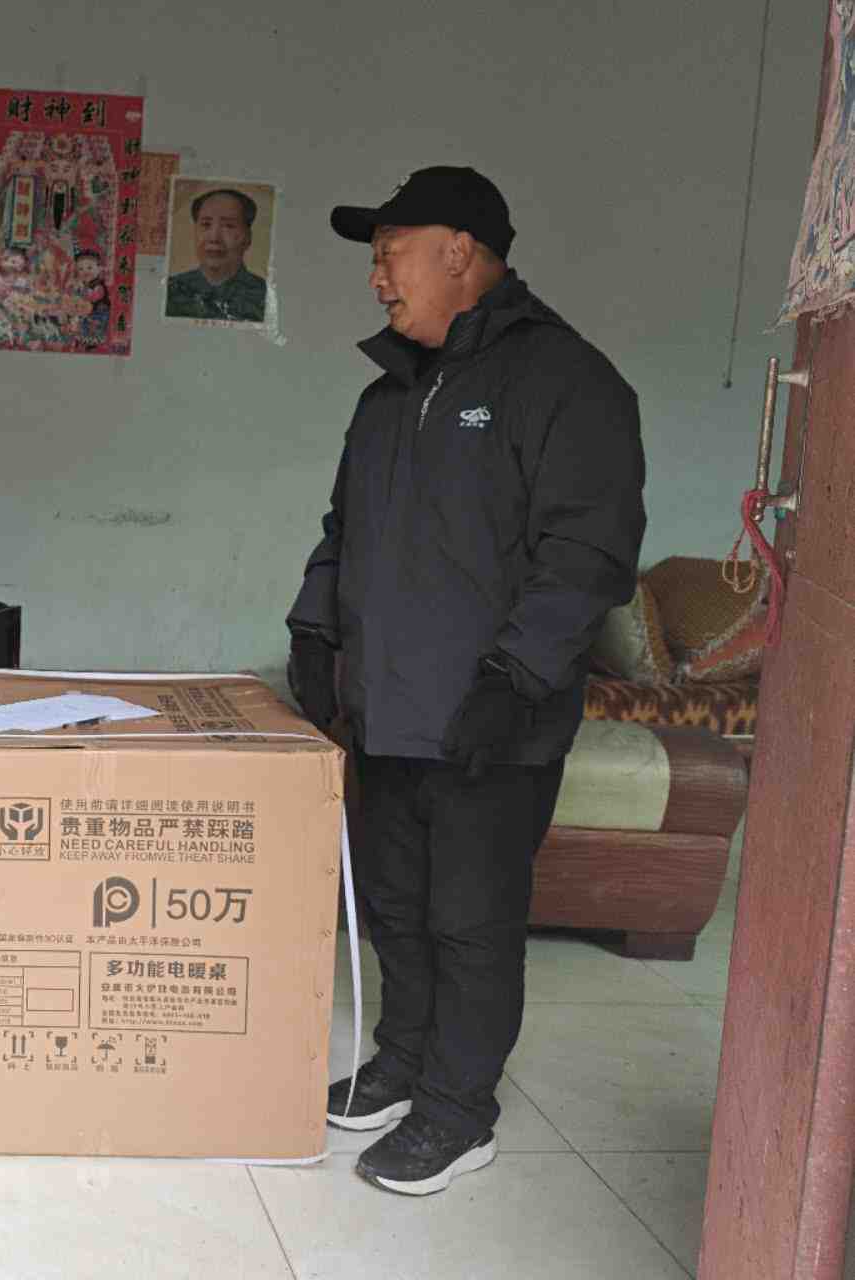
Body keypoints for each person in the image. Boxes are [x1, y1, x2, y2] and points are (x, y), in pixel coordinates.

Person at [286, 166, 645, 1195]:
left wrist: (515, 678)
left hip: (491, 719)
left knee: (470, 920)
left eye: (388, 253)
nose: (376, 279)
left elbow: (586, 554)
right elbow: (343, 532)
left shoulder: (566, 382)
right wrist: (314, 628)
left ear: (459, 251)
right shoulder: (387, 397)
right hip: (387, 707)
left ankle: (457, 1108)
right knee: (395, 903)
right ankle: (403, 1061)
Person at [165, 187, 267, 322]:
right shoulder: (171, 290)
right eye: (206, 225)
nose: (214, 238)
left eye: (228, 226)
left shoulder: (264, 296)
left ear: (247, 237)